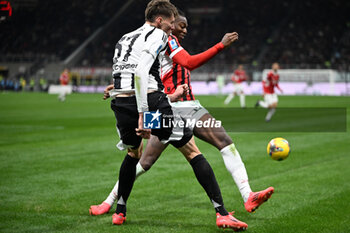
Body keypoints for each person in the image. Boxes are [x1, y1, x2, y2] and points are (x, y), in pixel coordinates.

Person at [91, 8, 273, 225]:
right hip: (168, 105)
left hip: (189, 106)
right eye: (180, 25)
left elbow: (142, 72)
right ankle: (110, 201)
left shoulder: (164, 43)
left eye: (186, 26)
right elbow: (185, 64)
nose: (184, 29)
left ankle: (248, 196)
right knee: (143, 160)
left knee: (224, 141)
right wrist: (221, 45)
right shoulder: (163, 39)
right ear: (167, 22)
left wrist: (119, 87)